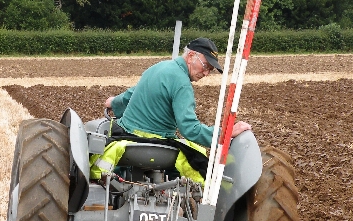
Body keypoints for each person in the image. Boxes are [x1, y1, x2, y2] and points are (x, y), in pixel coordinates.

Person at [95, 37, 251, 183]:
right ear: (190, 56)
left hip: (124, 135)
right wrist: (225, 134)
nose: (206, 73)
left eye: (210, 70)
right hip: (153, 142)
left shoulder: (158, 67)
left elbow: (132, 93)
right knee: (199, 161)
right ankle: (194, 199)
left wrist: (114, 103)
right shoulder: (182, 84)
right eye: (205, 66)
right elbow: (190, 129)